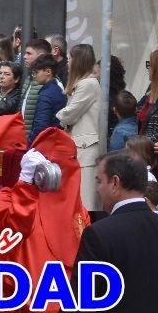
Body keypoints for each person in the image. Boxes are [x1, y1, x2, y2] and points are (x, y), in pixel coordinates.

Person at [53, 152, 158, 313]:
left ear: (115, 183)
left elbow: (78, 304)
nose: (97, 189)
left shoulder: (99, 234)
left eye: (99, 181)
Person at [56, 43, 103, 211]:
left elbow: (70, 113)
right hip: (82, 148)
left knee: (86, 203)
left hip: (86, 150)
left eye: (69, 59)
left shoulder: (87, 84)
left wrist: (59, 117)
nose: (67, 63)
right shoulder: (85, 83)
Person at [26, 53, 66, 143]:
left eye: (36, 72)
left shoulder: (46, 94)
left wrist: (30, 144)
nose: (35, 76)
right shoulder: (58, 88)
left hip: (46, 142)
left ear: (48, 72)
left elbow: (41, 125)